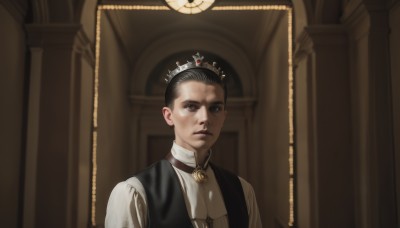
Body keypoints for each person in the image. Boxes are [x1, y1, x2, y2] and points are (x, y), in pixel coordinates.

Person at [105, 53, 262, 228]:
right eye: (191, 106)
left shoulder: (243, 191)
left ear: (224, 116)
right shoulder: (134, 193)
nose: (205, 118)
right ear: (168, 115)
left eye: (215, 108)